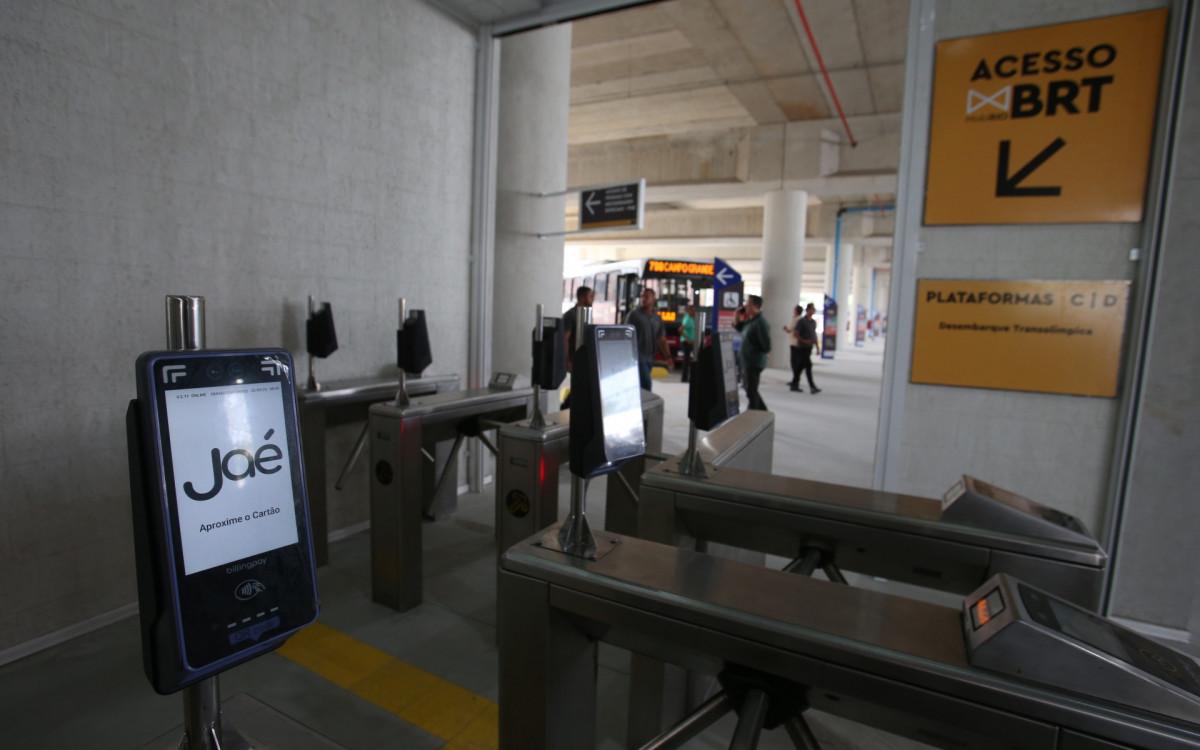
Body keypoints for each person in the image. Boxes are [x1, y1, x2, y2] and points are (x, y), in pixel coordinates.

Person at [624, 287, 674, 391]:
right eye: (642, 296)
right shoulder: (634, 315)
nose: (644, 299)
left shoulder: (657, 318)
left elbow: (662, 340)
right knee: (647, 384)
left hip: (650, 358)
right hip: (637, 357)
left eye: (647, 296)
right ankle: (646, 406)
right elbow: (625, 335)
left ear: (653, 299)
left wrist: (669, 358)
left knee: (641, 386)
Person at [733, 294, 770, 411]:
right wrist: (737, 315)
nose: (746, 306)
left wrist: (762, 352)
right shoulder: (750, 320)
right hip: (746, 360)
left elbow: (766, 344)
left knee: (750, 390)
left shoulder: (761, 323)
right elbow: (738, 327)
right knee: (749, 388)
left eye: (749, 304)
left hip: (754, 361)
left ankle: (755, 411)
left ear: (756, 306)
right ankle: (761, 411)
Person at [561, 285, 593, 408]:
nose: (592, 299)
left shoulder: (586, 314)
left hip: (583, 360)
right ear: (582, 296)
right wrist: (567, 360)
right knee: (579, 388)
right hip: (574, 360)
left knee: (581, 388)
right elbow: (565, 338)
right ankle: (565, 408)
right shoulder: (571, 315)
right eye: (590, 296)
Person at [794, 302, 821, 393]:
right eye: (812, 309)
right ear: (808, 310)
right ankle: (812, 386)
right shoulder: (802, 321)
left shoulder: (813, 322)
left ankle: (794, 383)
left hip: (809, 347)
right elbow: (796, 334)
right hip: (802, 347)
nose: (814, 311)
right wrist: (804, 341)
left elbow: (814, 335)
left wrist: (817, 347)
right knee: (808, 366)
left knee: (800, 366)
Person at [783, 305, 804, 391]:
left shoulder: (796, 319)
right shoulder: (801, 319)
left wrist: (785, 328)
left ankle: (795, 381)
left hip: (795, 343)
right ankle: (795, 380)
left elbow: (789, 329)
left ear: (796, 311)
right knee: (797, 363)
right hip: (799, 343)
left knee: (795, 363)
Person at [679, 303, 696, 383]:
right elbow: (680, 330)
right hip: (686, 342)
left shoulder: (692, 318)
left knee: (688, 360)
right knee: (686, 360)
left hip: (690, 342)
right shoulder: (688, 319)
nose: (694, 312)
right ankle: (684, 378)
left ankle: (686, 377)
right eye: (692, 310)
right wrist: (688, 340)